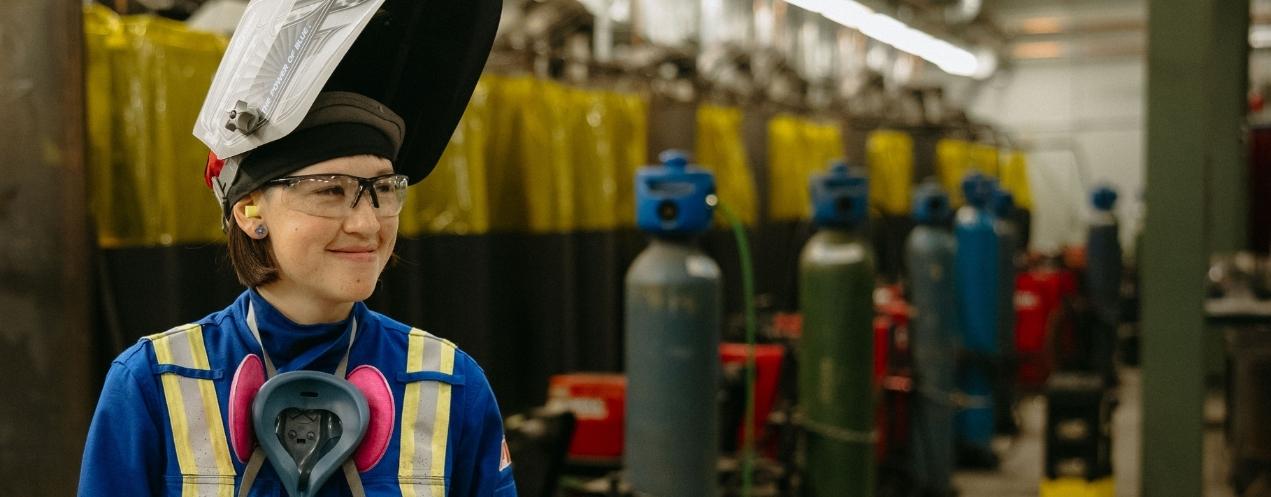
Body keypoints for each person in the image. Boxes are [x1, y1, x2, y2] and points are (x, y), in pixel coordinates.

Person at [79, 2, 511, 496]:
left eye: (383, 189)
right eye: (330, 190)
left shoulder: (450, 382)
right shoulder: (151, 384)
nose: (367, 223)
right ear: (249, 211)